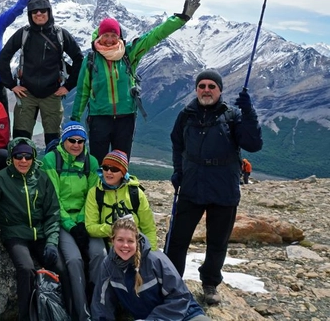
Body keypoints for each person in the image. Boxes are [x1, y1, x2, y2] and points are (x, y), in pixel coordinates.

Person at [165, 69, 263, 305]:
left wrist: (249, 113)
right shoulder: (186, 115)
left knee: (217, 241)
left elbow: (253, 144)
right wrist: (178, 171)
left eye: (211, 86)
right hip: (192, 183)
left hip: (223, 187)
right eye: (202, 86)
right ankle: (171, 281)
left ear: (220, 90)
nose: (206, 90)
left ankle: (210, 284)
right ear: (196, 89)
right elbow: (177, 143)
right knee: (177, 238)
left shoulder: (232, 116)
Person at [70, 0, 200, 164]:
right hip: (99, 118)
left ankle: (122, 190)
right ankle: (97, 190)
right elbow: (82, 92)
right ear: (99, 36)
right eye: (106, 35)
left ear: (119, 36)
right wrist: (74, 120)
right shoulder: (91, 60)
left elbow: (154, 36)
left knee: (121, 164)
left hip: (126, 118)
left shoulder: (128, 55)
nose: (109, 40)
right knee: (97, 163)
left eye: (113, 35)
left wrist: (181, 19)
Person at [0, 137, 66, 321]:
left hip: (41, 234)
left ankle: (65, 314)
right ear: (11, 157)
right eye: (18, 156)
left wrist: (52, 242)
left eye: (28, 156)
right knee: (26, 269)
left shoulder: (42, 177)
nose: (23, 161)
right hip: (15, 234)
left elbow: (53, 212)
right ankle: (26, 317)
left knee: (61, 267)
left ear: (33, 157)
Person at [0, 0, 84, 145]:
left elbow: (79, 59)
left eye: (42, 10)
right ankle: (20, 166)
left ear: (49, 12)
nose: (39, 14)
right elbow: (3, 58)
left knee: (53, 141)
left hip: (52, 94)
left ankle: (51, 168)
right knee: (20, 140)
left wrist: (69, 86)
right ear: (30, 15)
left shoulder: (60, 34)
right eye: (34, 11)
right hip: (26, 94)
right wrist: (11, 85)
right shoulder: (24, 34)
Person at [92, 217, 212, 321]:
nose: (125, 245)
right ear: (112, 241)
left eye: (130, 241)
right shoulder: (108, 266)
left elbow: (180, 297)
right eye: (120, 240)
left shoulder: (155, 260)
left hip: (184, 315)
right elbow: (102, 304)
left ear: (137, 241)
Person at [41, 121, 101, 321]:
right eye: (72, 140)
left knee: (99, 254)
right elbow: (53, 199)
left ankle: (99, 307)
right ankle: (82, 313)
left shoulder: (90, 162)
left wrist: (83, 222)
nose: (76, 145)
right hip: (61, 220)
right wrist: (71, 226)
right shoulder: (51, 160)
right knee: (74, 260)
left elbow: (92, 196)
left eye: (81, 141)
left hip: (86, 219)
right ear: (63, 140)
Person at [85, 149, 157, 289]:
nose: (108, 172)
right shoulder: (95, 193)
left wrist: (151, 253)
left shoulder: (136, 193)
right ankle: (97, 290)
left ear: (123, 172)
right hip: (107, 240)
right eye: (105, 168)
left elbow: (148, 227)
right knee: (99, 254)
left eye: (114, 169)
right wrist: (115, 229)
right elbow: (90, 227)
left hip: (132, 241)